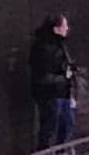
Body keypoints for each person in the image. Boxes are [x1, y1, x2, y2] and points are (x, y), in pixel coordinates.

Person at [27, 15, 82, 148]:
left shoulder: (60, 44)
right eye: (65, 26)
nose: (67, 29)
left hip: (62, 92)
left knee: (66, 124)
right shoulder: (42, 48)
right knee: (51, 127)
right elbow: (41, 76)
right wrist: (64, 77)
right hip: (50, 94)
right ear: (56, 29)